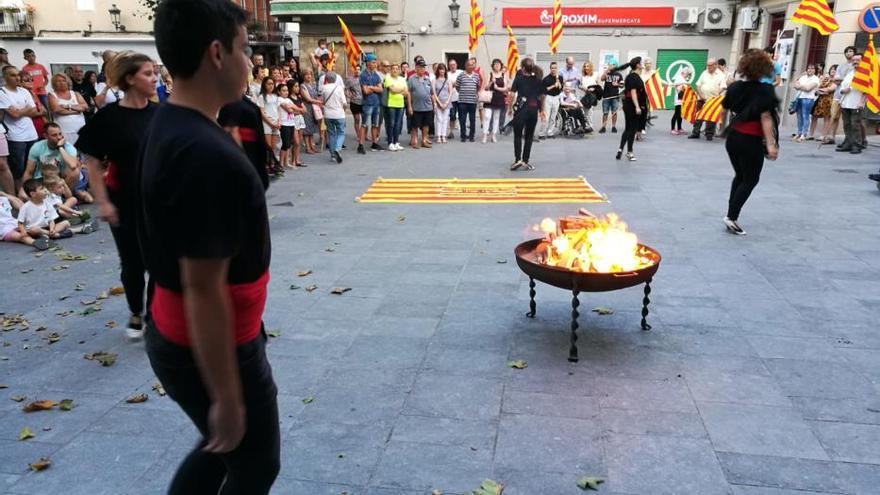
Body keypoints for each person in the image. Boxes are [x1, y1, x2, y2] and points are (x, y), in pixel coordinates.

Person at [143, 1, 281, 493]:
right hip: (208, 340)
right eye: (246, 49)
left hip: (196, 331)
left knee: (222, 449)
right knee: (253, 463)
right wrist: (224, 392)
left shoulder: (174, 123)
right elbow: (203, 286)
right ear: (217, 53)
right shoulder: (203, 152)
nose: (252, 62)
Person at [77, 50, 158, 340]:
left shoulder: (161, 114)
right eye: (147, 73)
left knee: (159, 261)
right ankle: (136, 311)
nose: (154, 77)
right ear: (129, 79)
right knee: (133, 262)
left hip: (157, 203)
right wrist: (103, 201)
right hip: (123, 201)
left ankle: (155, 315)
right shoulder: (109, 117)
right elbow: (93, 160)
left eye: (155, 72)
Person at [721, 48, 779, 235]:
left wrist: (723, 128)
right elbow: (766, 117)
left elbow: (725, 109)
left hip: (733, 137)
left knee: (740, 175)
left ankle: (731, 214)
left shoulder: (735, 87)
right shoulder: (765, 90)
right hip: (750, 139)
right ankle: (731, 216)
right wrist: (771, 145)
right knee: (751, 179)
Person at [0, 66, 40, 194]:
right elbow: (14, 114)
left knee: (33, 165)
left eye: (17, 75)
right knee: (18, 167)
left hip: (31, 133)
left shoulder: (24, 91)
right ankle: (19, 191)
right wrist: (25, 110)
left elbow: (35, 111)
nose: (17, 77)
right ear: (5, 77)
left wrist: (20, 111)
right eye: (12, 75)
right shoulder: (2, 92)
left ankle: (32, 190)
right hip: (15, 136)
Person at [219, 92, 273, 186]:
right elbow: (232, 130)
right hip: (244, 150)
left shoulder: (243, 100)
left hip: (253, 148)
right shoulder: (232, 103)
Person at [19, 122, 80, 198]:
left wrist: (60, 147)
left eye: (60, 134)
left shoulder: (68, 147)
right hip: (42, 179)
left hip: (59, 179)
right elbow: (29, 171)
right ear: (46, 136)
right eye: (54, 135)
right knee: (22, 195)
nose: (58, 137)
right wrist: (24, 188)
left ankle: (63, 198)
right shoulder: (37, 147)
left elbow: (73, 165)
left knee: (75, 172)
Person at [508, 57, 545, 171]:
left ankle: (518, 160)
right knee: (529, 136)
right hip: (533, 109)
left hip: (521, 109)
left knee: (518, 135)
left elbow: (512, 94)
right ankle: (525, 161)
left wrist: (510, 108)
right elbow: (542, 96)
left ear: (523, 68)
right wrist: (542, 110)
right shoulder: (538, 80)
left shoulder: (518, 78)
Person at [616, 57, 646, 162]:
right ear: (637, 65)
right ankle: (629, 152)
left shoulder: (630, 76)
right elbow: (633, 92)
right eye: (641, 63)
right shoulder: (634, 77)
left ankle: (620, 150)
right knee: (632, 130)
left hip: (629, 105)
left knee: (628, 128)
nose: (643, 65)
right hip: (632, 106)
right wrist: (637, 106)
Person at [689, 58, 727, 141]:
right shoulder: (704, 73)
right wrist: (701, 95)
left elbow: (723, 87)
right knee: (698, 116)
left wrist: (717, 94)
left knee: (711, 117)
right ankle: (695, 132)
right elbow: (698, 85)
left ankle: (709, 134)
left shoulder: (720, 75)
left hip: (713, 100)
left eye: (710, 65)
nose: (708, 67)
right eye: (707, 65)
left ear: (715, 65)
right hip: (702, 98)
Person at [837, 54, 866, 155]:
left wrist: (862, 102)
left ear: (862, 61)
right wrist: (843, 90)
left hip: (856, 103)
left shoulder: (865, 74)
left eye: (858, 60)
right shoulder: (850, 73)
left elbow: (867, 91)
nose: (855, 62)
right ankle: (848, 143)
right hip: (845, 103)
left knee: (855, 125)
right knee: (847, 125)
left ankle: (857, 145)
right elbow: (842, 86)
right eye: (854, 60)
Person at [48, 74, 88, 145]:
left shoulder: (75, 93)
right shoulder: (52, 95)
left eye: (64, 80)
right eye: (58, 81)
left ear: (68, 82)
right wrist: (77, 110)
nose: (62, 83)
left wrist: (68, 106)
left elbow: (85, 107)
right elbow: (56, 109)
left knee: (82, 151)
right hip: (64, 131)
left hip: (80, 129)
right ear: (54, 83)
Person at [407, 59, 435, 149]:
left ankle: (424, 140)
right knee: (415, 126)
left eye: (423, 67)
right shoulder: (411, 79)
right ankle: (414, 141)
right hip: (416, 107)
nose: (422, 69)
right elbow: (408, 93)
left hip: (428, 107)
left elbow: (431, 94)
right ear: (416, 68)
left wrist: (434, 106)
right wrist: (410, 106)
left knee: (426, 125)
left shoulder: (427, 79)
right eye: (420, 67)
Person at [359, 54, 384, 151]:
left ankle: (374, 143)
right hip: (367, 103)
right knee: (364, 124)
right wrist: (375, 88)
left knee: (375, 124)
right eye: (373, 62)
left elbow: (381, 89)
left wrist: (371, 87)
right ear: (368, 63)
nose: (375, 64)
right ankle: (360, 145)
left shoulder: (376, 75)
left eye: (375, 62)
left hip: (376, 103)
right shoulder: (363, 75)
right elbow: (365, 91)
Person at [480, 59, 508, 144]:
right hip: (490, 97)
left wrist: (497, 88)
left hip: (499, 97)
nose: (497, 66)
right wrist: (491, 82)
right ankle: (485, 135)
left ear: (501, 65)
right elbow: (486, 88)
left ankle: (493, 135)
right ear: (492, 66)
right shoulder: (490, 74)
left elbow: (505, 88)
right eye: (495, 64)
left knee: (496, 117)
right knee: (487, 116)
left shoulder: (504, 75)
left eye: (498, 64)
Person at [321, 71, 347, 163]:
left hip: (328, 114)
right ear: (335, 79)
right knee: (341, 133)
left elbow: (322, 101)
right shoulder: (339, 88)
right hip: (339, 113)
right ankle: (337, 148)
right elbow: (344, 102)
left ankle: (332, 155)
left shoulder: (324, 88)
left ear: (326, 79)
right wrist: (344, 109)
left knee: (331, 134)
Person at [792, 64, 820, 142]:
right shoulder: (802, 77)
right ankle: (799, 133)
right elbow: (795, 85)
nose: (810, 70)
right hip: (799, 98)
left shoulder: (816, 79)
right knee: (799, 116)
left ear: (815, 70)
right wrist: (803, 86)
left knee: (805, 116)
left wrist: (800, 86)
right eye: (808, 68)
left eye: (812, 68)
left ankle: (804, 134)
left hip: (808, 99)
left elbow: (808, 89)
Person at [383, 63, 408, 151]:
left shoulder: (402, 79)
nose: (395, 70)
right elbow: (392, 90)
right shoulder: (388, 78)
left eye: (397, 69)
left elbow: (406, 92)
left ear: (399, 70)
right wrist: (401, 90)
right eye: (393, 68)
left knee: (398, 125)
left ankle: (396, 142)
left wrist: (398, 90)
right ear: (391, 70)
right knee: (391, 124)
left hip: (400, 104)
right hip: (391, 104)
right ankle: (390, 143)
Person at [454, 60, 480, 142]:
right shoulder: (461, 75)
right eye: (468, 65)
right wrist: (463, 92)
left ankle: (472, 136)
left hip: (472, 101)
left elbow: (478, 87)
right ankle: (463, 136)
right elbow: (457, 87)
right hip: (462, 101)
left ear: (473, 66)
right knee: (462, 119)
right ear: (465, 66)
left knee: (472, 120)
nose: (470, 66)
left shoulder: (476, 76)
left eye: (472, 65)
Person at [537, 62, 563, 140]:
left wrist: (558, 82)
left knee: (553, 116)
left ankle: (550, 132)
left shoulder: (560, 78)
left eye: (555, 68)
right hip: (548, 97)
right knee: (546, 116)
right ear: (550, 69)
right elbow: (544, 90)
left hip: (556, 97)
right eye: (552, 68)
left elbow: (561, 88)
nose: (554, 69)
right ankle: (541, 133)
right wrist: (553, 86)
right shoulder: (546, 79)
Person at [256, 78, 281, 158]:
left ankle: (272, 164)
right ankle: (267, 165)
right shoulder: (261, 97)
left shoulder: (275, 96)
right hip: (267, 123)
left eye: (272, 84)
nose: (271, 86)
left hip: (275, 122)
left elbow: (278, 110)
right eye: (268, 84)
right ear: (264, 85)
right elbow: (262, 112)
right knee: (268, 146)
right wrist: (271, 123)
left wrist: (278, 121)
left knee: (274, 146)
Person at [810, 65, 835, 142]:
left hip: (828, 100)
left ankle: (823, 135)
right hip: (820, 100)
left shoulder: (836, 81)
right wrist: (821, 90)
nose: (832, 71)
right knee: (814, 116)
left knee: (826, 118)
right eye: (831, 69)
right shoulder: (825, 78)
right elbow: (817, 88)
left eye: (835, 70)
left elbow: (830, 89)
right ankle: (811, 134)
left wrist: (821, 90)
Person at [299, 68, 321, 154]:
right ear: (303, 76)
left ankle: (312, 145)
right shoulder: (302, 86)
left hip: (314, 108)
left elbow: (316, 95)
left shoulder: (313, 84)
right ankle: (308, 147)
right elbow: (308, 99)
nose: (309, 76)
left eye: (310, 74)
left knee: (312, 128)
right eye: (306, 74)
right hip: (307, 108)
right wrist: (320, 102)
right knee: (307, 129)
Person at [599, 63, 623, 133]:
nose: (611, 66)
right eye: (610, 65)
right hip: (606, 96)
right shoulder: (607, 73)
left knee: (614, 113)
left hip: (615, 96)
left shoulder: (619, 74)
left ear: (615, 66)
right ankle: (603, 127)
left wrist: (617, 84)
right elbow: (602, 78)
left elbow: (622, 85)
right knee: (605, 113)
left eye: (612, 65)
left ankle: (613, 126)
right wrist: (606, 71)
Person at [433, 63, 453, 144]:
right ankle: (438, 136)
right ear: (438, 70)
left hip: (447, 102)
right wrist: (439, 103)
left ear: (445, 70)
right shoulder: (434, 80)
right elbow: (434, 93)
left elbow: (450, 92)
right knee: (439, 119)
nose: (442, 71)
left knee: (445, 119)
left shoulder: (448, 80)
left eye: (443, 69)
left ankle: (443, 136)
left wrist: (447, 102)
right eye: (440, 69)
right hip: (438, 103)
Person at [671, 67, 691, 135]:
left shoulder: (684, 79)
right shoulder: (679, 78)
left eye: (688, 74)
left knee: (680, 114)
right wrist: (684, 82)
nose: (688, 76)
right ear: (683, 73)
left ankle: (679, 128)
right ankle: (672, 129)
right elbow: (675, 84)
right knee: (676, 114)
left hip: (683, 99)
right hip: (678, 99)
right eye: (687, 74)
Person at [580, 62, 599, 131]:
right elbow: (580, 85)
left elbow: (599, 86)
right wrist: (582, 87)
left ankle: (590, 126)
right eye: (585, 66)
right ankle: (585, 126)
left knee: (589, 111)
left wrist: (593, 89)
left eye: (587, 66)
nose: (586, 68)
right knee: (583, 111)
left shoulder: (595, 75)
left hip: (591, 96)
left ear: (590, 67)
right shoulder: (583, 77)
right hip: (584, 95)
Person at [446, 59, 462, 139]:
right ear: (449, 66)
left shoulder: (461, 72)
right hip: (452, 99)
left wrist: (453, 83)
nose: (453, 66)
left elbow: (460, 83)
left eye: (454, 64)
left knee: (462, 116)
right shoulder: (447, 74)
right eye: (451, 65)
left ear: (456, 65)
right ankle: (451, 132)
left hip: (461, 98)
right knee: (452, 116)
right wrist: (453, 83)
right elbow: (446, 84)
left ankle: (463, 132)